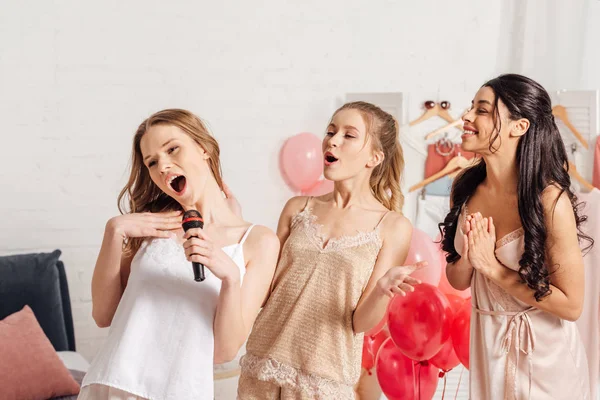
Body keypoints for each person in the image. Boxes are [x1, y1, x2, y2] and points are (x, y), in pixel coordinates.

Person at [78, 109, 280, 400]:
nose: (163, 166)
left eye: (173, 149)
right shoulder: (149, 224)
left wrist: (230, 279)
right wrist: (114, 232)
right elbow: (103, 314)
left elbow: (224, 350)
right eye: (152, 162)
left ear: (204, 148)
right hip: (113, 384)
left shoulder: (258, 241)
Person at [237, 101, 423, 399]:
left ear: (374, 157)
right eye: (330, 131)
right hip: (263, 366)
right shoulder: (298, 208)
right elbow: (264, 292)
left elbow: (361, 323)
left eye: (349, 135)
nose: (332, 140)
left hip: (324, 381)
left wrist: (382, 291)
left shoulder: (392, 226)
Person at [440, 74, 593, 399]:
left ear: (518, 126)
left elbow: (571, 306)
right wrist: (469, 257)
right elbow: (458, 279)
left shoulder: (549, 201)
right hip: (488, 347)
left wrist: (494, 269)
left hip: (544, 360)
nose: (466, 117)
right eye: (471, 108)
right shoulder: (463, 188)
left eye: (481, 110)